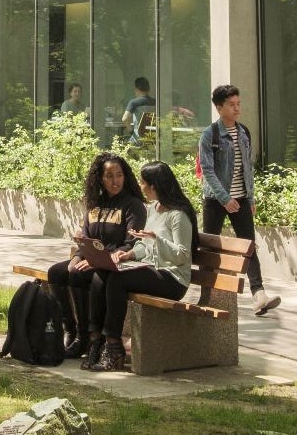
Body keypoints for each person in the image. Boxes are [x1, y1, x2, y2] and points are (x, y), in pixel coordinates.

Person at [90, 161, 199, 371]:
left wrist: (157, 239)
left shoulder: (179, 215)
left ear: (155, 186)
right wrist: (128, 254)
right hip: (152, 269)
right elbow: (144, 244)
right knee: (106, 274)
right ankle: (100, 340)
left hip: (173, 278)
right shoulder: (153, 209)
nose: (141, 187)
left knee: (118, 280)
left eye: (143, 183)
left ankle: (113, 348)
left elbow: (183, 256)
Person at [46, 152, 146, 368]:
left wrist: (96, 260)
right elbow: (86, 236)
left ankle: (88, 338)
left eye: (119, 175)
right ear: (100, 178)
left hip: (115, 262)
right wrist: (80, 254)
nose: (115, 181)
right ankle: (72, 331)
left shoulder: (133, 205)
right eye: (109, 176)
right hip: (91, 258)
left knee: (78, 274)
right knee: (56, 272)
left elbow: (130, 244)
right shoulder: (95, 203)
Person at [198, 84, 282, 316]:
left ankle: (259, 295)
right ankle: (206, 295)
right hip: (216, 200)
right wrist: (224, 198)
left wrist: (250, 197)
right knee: (210, 249)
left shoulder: (243, 131)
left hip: (242, 197)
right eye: (231, 105)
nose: (237, 109)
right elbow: (207, 169)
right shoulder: (210, 134)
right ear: (219, 107)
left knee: (249, 246)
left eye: (238, 104)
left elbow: (248, 167)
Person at [120, 77, 156, 141]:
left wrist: (132, 132)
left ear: (136, 89)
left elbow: (124, 119)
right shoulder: (156, 102)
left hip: (138, 138)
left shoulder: (134, 102)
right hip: (153, 138)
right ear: (148, 89)